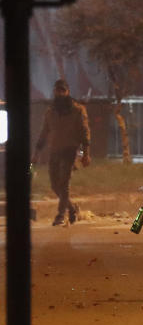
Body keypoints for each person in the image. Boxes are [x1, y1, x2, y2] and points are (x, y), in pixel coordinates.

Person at [32, 79, 91, 226]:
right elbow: (44, 132)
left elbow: (85, 132)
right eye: (58, 90)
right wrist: (36, 153)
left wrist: (86, 153)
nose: (60, 93)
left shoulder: (78, 110)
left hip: (70, 151)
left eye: (63, 90)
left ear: (67, 92)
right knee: (54, 185)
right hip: (55, 151)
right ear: (54, 91)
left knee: (64, 183)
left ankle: (60, 215)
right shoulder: (50, 112)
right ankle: (72, 209)